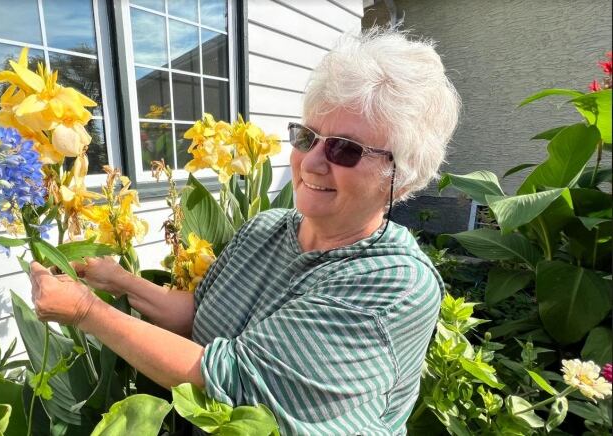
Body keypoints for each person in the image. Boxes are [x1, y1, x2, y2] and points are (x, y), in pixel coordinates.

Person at [29, 27, 460, 435]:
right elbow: (198, 313)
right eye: (308, 136)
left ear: (399, 177)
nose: (311, 162)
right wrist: (119, 280)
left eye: (346, 149)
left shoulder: (394, 284)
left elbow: (231, 381)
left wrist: (88, 312)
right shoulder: (265, 229)